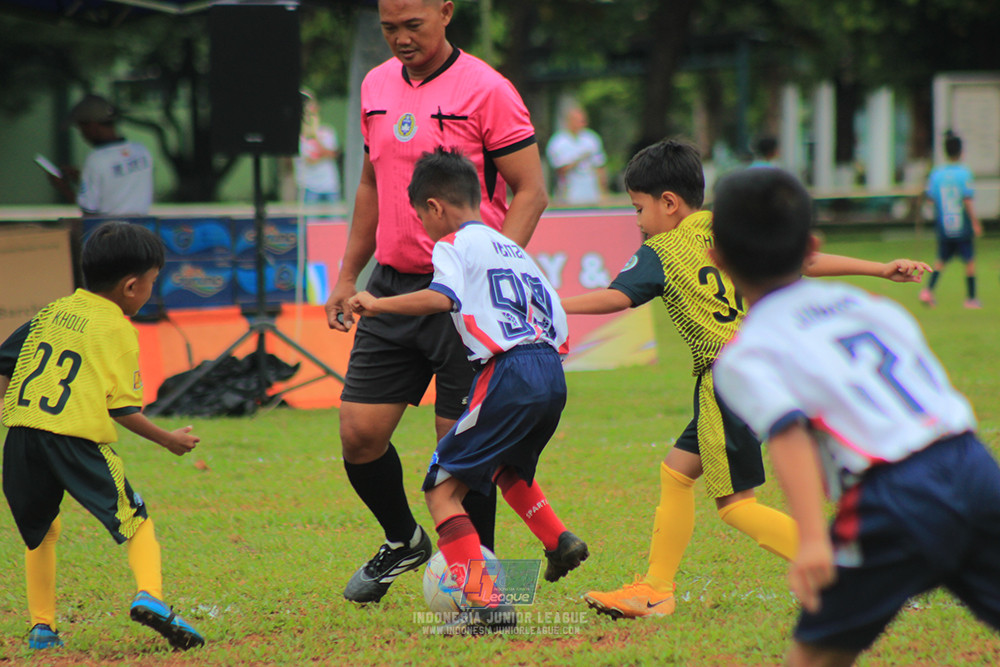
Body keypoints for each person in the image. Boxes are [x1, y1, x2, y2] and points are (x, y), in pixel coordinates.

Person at [563, 139, 932, 620]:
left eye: (638, 208)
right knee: (676, 472)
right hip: (764, 365)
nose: (637, 221)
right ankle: (656, 588)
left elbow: (616, 298)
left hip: (726, 377)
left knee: (736, 505)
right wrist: (880, 269)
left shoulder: (661, 250)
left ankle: (861, 572)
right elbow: (802, 261)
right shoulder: (728, 227)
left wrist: (553, 303)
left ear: (668, 203)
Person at [711, 167, 1000, 667]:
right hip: (974, 465)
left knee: (815, 657)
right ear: (812, 246)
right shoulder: (871, 307)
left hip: (895, 496)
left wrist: (811, 540)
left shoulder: (745, 353)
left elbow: (787, 429)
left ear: (717, 260)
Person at [324, 0, 548, 604]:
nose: (399, 39)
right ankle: (404, 541)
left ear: (446, 12)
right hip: (392, 287)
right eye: (388, 28)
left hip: (461, 301)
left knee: (463, 452)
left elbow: (532, 190)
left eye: (412, 26)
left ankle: (485, 592)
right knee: (359, 433)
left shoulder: (488, 90)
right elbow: (372, 183)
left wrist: (488, 268)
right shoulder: (374, 86)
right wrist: (349, 274)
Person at [349, 148, 587, 633]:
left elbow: (443, 298)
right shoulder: (515, 250)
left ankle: (487, 607)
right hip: (550, 370)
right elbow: (557, 320)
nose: (424, 228)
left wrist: (378, 304)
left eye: (421, 217)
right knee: (502, 464)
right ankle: (558, 541)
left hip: (510, 371)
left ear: (435, 207)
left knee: (441, 489)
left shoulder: (452, 245)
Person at [0, 221, 204, 651]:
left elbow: (4, 359)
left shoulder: (52, 311)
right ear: (131, 286)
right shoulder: (116, 329)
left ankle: (42, 628)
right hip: (74, 439)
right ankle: (152, 595)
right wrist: (168, 439)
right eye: (151, 283)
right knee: (136, 521)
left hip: (20, 436)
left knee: (41, 532)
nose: (150, 290)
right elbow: (122, 408)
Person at [47, 94, 154, 217]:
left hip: (112, 233)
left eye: (81, 128)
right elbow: (118, 187)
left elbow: (89, 213)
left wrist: (64, 188)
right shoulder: (141, 151)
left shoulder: (97, 159)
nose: (83, 135)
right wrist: (83, 180)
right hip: (142, 230)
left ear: (92, 125)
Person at [919, 131, 983, 309]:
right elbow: (967, 199)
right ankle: (971, 298)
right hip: (962, 225)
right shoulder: (964, 173)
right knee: (969, 261)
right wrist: (976, 222)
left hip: (944, 224)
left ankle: (927, 291)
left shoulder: (937, 173)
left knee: (941, 260)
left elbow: (931, 198)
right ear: (961, 151)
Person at [545, 106, 607, 205]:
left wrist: (603, 191)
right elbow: (560, 169)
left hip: (591, 193)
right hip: (569, 194)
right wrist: (580, 159)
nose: (581, 124)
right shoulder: (558, 141)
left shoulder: (592, 139)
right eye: (577, 121)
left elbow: (599, 167)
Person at [296, 90, 342, 205]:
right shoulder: (299, 136)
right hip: (309, 187)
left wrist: (315, 137)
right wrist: (324, 154)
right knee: (311, 222)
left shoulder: (328, 131)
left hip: (330, 186)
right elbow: (310, 160)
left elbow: (332, 154)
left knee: (335, 222)